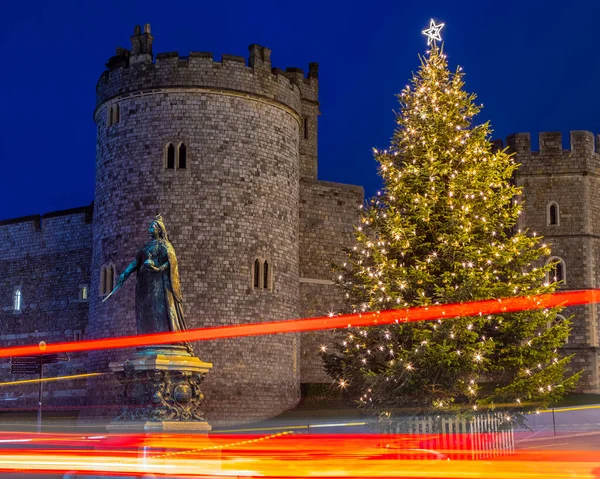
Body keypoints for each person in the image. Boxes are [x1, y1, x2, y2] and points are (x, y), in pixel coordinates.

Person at [104, 215, 192, 353]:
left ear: (159, 229)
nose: (150, 229)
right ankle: (151, 337)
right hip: (146, 285)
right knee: (147, 311)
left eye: (153, 227)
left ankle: (164, 337)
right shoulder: (146, 247)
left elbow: (171, 262)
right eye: (150, 226)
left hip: (160, 285)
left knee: (160, 311)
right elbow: (136, 262)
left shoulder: (164, 245)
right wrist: (125, 273)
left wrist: (159, 268)